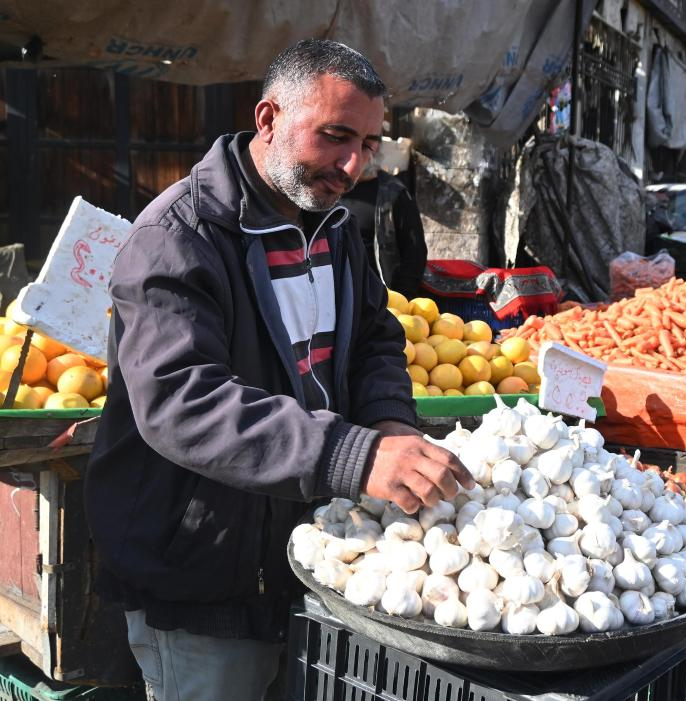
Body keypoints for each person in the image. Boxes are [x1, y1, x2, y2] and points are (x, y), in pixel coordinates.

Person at [84, 39, 473, 701]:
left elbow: (375, 338)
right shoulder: (176, 239)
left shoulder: (336, 226)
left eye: (368, 143)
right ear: (268, 119)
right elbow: (182, 400)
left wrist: (388, 426)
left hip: (311, 554)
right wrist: (353, 454)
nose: (352, 164)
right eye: (334, 136)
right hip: (205, 570)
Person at [342, 147, 427, 298]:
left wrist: (399, 300)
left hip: (378, 301)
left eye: (365, 146)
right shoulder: (328, 190)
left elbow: (414, 254)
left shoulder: (393, 193)